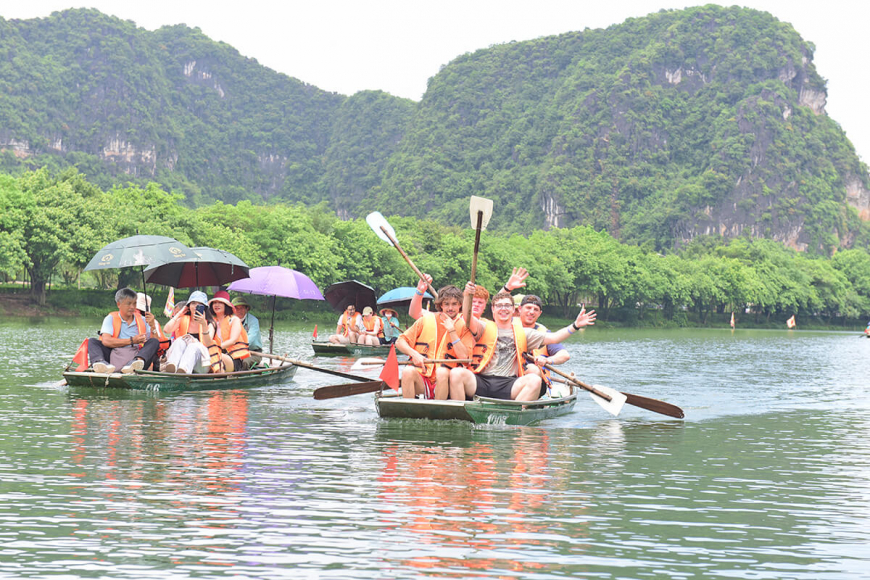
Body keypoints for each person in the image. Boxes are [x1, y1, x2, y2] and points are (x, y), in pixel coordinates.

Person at [449, 286, 596, 402]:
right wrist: (467, 295)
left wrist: (575, 325)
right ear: (493, 309)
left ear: (514, 310)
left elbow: (555, 338)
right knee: (456, 373)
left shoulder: (525, 333)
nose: (503, 309)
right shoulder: (482, 327)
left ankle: (513, 416)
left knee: (534, 380)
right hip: (482, 380)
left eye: (507, 306)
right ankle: (460, 415)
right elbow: (467, 315)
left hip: (508, 384)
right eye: (499, 306)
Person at [395, 284, 473, 400]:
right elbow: (400, 341)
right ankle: (409, 411)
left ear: (460, 305)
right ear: (441, 305)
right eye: (446, 304)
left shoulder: (464, 326)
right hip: (423, 377)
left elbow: (465, 359)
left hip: (446, 381)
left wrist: (452, 331)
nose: (450, 308)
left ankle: (438, 410)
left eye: (454, 304)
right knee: (407, 371)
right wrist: (414, 354)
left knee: (441, 372)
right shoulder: (426, 319)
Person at [408, 267, 529, 321]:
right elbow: (415, 313)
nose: (476, 305)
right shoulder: (450, 317)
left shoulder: (487, 323)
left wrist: (507, 288)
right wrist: (420, 291)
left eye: (480, 303)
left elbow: (497, 303)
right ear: (463, 304)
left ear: (486, 306)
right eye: (473, 301)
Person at [88, 287, 160, 374]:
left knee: (154, 342)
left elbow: (155, 344)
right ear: (119, 304)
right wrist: (132, 340)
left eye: (134, 303)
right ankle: (101, 364)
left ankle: (133, 364)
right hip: (113, 358)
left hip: (137, 361)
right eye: (128, 304)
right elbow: (106, 341)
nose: (132, 307)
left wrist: (153, 326)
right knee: (92, 341)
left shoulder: (143, 320)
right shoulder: (110, 318)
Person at [516, 294, 571, 391]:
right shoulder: (508, 328)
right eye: (528, 308)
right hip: (510, 378)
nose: (531, 312)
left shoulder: (544, 334)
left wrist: (548, 360)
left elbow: (564, 355)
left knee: (532, 369)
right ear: (520, 309)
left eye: (535, 309)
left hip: (535, 382)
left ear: (540, 313)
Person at [163, 291, 215, 373]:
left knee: (193, 346)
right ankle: (172, 365)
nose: (195, 306)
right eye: (193, 303)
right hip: (180, 359)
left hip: (202, 363)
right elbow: (166, 330)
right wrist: (179, 313)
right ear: (189, 305)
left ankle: (184, 370)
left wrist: (203, 325)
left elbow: (208, 343)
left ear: (204, 307)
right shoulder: (183, 319)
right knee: (180, 341)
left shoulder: (209, 324)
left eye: (199, 304)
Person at [209, 290, 250, 372]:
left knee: (216, 355)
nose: (216, 305)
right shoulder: (212, 322)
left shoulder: (234, 320)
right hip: (215, 354)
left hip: (232, 357)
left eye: (220, 302)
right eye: (215, 303)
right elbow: (208, 340)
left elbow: (233, 340)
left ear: (226, 305)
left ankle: (219, 372)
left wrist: (216, 348)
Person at [136, 292, 170, 370]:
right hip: (127, 351)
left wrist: (152, 326)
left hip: (146, 355)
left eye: (137, 310)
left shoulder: (153, 322)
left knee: (154, 342)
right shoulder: (127, 320)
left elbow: (157, 343)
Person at [232, 296, 262, 368]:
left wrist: (238, 347)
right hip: (234, 351)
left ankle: (242, 378)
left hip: (254, 353)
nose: (239, 310)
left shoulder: (253, 321)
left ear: (247, 309)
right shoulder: (230, 320)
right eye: (236, 308)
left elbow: (250, 339)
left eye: (241, 308)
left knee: (245, 361)